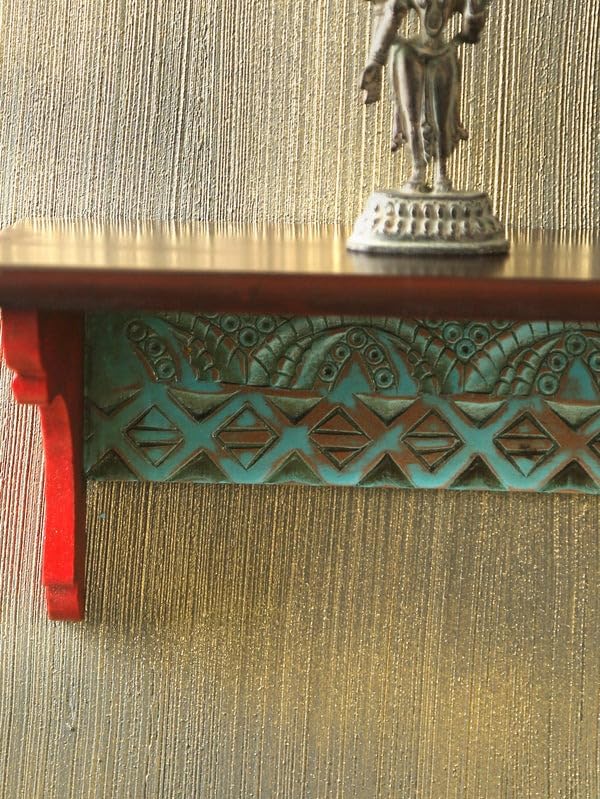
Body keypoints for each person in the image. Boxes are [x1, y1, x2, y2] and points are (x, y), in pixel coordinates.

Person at [360, 0, 489, 193]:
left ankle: (441, 173)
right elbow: (392, 13)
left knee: (442, 119)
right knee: (411, 115)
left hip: (443, 54)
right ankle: (418, 170)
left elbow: (471, 32)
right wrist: (375, 61)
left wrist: (475, 11)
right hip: (412, 54)